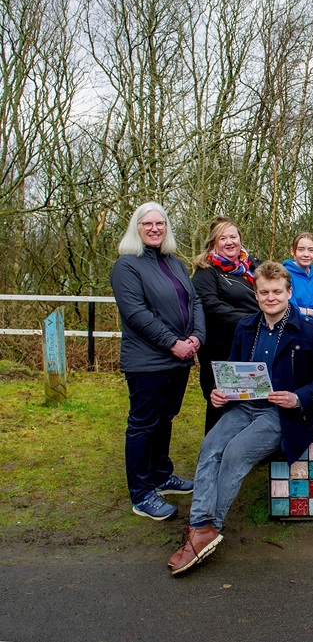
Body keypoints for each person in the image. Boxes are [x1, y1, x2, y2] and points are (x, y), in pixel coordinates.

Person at [168, 261, 313, 575]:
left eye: (277, 291)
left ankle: (210, 527)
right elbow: (232, 374)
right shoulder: (246, 327)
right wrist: (220, 393)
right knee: (210, 447)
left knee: (235, 453)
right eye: (264, 292)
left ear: (289, 292)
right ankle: (199, 526)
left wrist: (297, 397)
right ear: (256, 294)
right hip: (245, 407)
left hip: (282, 415)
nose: (270, 297)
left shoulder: (311, 331)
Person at [110, 201, 205, 521]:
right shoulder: (127, 266)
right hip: (147, 362)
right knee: (143, 425)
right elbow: (136, 313)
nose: (154, 229)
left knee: (165, 419)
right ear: (136, 228)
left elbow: (195, 302)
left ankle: (161, 476)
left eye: (160, 224)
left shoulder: (175, 263)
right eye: (147, 224)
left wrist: (197, 338)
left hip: (178, 359)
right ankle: (141, 493)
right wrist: (173, 343)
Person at [191, 218, 259, 433]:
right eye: (223, 238)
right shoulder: (206, 271)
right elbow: (211, 306)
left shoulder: (253, 267)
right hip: (221, 347)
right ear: (213, 243)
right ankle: (213, 455)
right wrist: (251, 320)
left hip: (251, 345)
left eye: (233, 236)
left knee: (248, 400)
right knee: (221, 402)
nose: (230, 242)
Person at [283, 231, 313, 321]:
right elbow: (292, 311)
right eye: (301, 249)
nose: (306, 254)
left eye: (311, 250)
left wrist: (310, 312)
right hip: (293, 329)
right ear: (292, 251)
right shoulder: (284, 275)